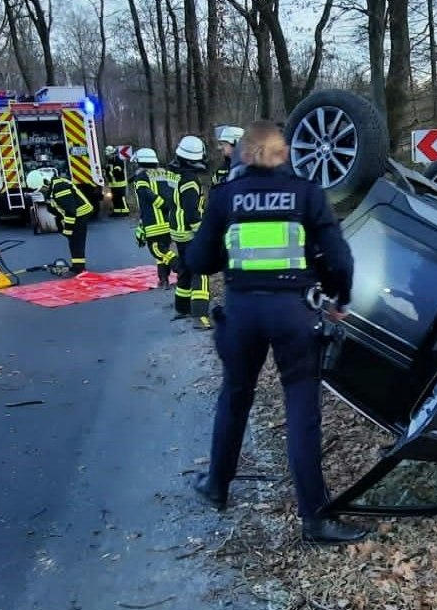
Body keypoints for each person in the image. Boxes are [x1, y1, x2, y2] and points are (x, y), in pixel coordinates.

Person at [184, 120, 368, 544]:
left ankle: (216, 485)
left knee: (234, 396)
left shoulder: (225, 197)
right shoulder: (307, 194)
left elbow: (199, 259)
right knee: (301, 410)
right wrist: (339, 299)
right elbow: (339, 258)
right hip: (293, 313)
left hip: (243, 312)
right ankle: (315, 519)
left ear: (244, 154)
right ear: (286, 154)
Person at [170, 136, 212, 328]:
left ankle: (182, 307)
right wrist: (202, 234)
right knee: (200, 270)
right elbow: (191, 212)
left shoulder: (177, 176)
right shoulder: (190, 181)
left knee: (186, 270)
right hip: (189, 233)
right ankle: (200, 315)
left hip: (178, 232)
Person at [29, 168, 98, 274]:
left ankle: (79, 268)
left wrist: (68, 229)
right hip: (72, 214)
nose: (41, 191)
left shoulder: (60, 188)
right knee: (73, 240)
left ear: (45, 182)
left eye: (41, 188)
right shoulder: (52, 187)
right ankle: (77, 266)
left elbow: (70, 211)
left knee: (76, 239)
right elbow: (55, 207)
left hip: (81, 213)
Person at [130, 147, 180, 288]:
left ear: (140, 162)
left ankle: (181, 269)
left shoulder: (141, 177)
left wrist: (161, 204)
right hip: (170, 221)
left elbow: (145, 193)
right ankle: (163, 279)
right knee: (162, 250)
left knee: (157, 250)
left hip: (155, 222)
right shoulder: (166, 173)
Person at [103, 148, 131, 216]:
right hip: (113, 184)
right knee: (115, 198)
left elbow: (117, 171)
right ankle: (117, 212)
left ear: (113, 154)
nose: (109, 156)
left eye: (109, 155)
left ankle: (126, 211)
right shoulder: (110, 161)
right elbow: (107, 170)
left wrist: (109, 174)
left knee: (121, 198)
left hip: (120, 183)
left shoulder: (118, 161)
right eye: (108, 155)